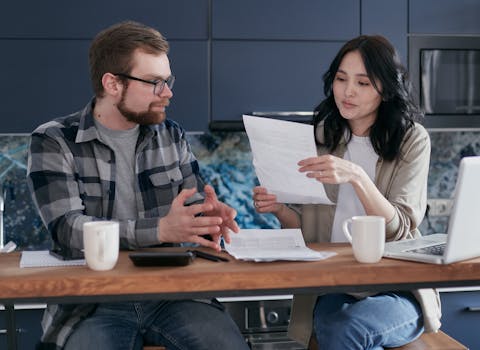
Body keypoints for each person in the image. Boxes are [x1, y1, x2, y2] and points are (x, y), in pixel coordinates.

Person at [27, 21, 249, 350]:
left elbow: (190, 216)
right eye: (155, 83)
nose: (168, 93)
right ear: (112, 84)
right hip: (92, 302)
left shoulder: (171, 135)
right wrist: (160, 230)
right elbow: (69, 229)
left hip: (174, 294)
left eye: (168, 81)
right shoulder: (54, 140)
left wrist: (209, 219)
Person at [252, 35, 441, 349]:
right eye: (341, 79)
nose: (348, 91)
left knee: (345, 331)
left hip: (397, 285)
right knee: (336, 330)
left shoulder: (411, 139)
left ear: (386, 89)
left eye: (363, 83)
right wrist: (280, 210)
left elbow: (398, 228)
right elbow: (307, 230)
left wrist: (356, 176)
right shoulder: (319, 138)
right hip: (334, 284)